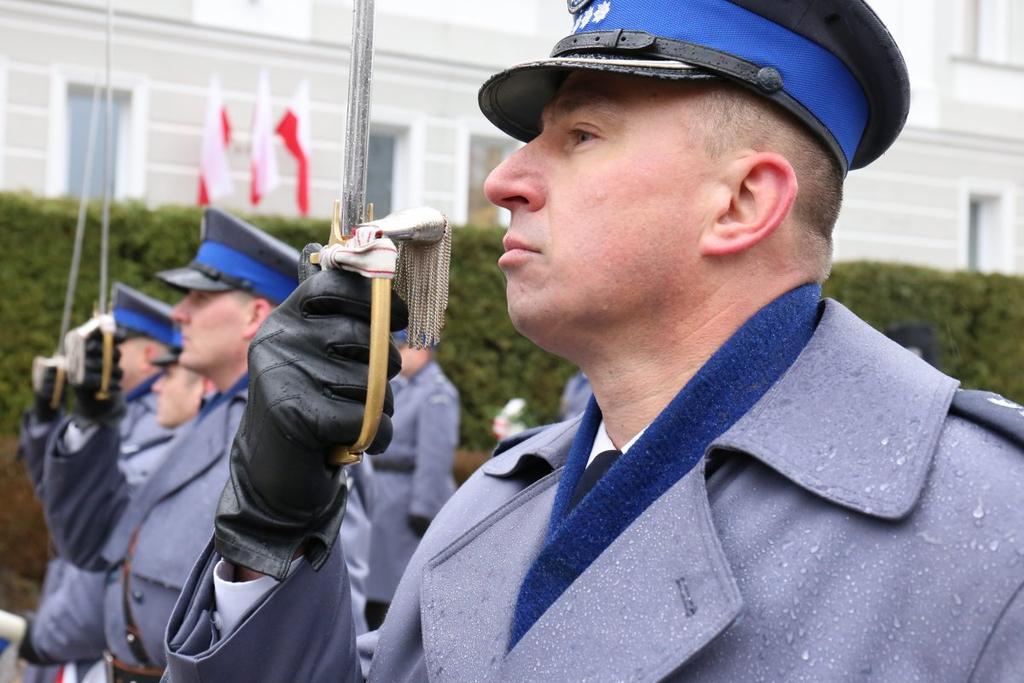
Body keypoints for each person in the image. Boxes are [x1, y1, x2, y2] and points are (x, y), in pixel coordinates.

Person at [164, 2, 1024, 681]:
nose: (504, 179)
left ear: (742, 203)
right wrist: (273, 532)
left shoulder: (991, 529)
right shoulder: (494, 506)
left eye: (580, 135)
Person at [39, 209, 374, 681]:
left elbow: (324, 625)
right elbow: (92, 542)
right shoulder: (209, 419)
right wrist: (94, 424)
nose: (178, 314)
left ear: (254, 315)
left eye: (199, 297)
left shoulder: (304, 435)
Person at [16, 283, 179, 683]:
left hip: (95, 630)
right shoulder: (114, 408)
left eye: (113, 345)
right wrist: (45, 417)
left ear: (148, 354)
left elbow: (109, 530)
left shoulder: (165, 415)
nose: (95, 356)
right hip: (72, 606)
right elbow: (55, 494)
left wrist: (54, 632)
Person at [365, 331, 459, 630]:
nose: (397, 353)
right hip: (384, 495)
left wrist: (424, 508)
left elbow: (435, 457)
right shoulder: (399, 386)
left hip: (408, 499)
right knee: (375, 582)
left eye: (403, 347)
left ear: (424, 350)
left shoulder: (436, 392)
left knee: (399, 590)